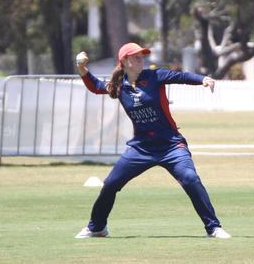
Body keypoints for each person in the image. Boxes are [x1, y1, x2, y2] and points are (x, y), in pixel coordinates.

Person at [74, 42, 231, 239]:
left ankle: (214, 228)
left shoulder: (154, 76)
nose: (141, 60)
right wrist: (82, 69)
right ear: (124, 61)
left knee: (190, 179)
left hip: (171, 145)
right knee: (111, 184)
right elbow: (97, 87)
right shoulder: (119, 85)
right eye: (136, 57)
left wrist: (203, 79)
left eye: (142, 56)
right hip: (141, 148)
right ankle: (97, 227)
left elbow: (180, 76)